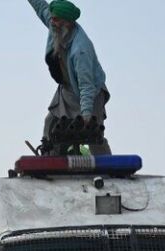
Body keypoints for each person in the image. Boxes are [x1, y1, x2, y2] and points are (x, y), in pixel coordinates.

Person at [26, 0, 111, 155]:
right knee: (51, 123)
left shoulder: (81, 50)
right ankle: (49, 157)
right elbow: (40, 7)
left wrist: (86, 115)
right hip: (67, 88)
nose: (52, 21)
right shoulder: (55, 26)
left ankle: (108, 167)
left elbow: (87, 86)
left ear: (68, 23)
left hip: (90, 93)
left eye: (56, 19)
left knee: (93, 134)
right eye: (52, 18)